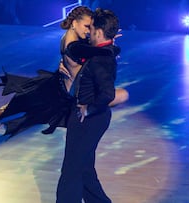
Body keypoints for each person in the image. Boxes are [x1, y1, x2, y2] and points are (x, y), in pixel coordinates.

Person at [0, 6, 128, 137]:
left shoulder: (74, 39)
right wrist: (109, 42)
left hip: (62, 84)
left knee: (29, 98)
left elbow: (92, 51)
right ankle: (1, 111)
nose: (89, 31)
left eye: (91, 28)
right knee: (121, 95)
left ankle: (1, 111)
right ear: (74, 23)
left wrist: (106, 38)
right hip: (73, 92)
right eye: (86, 26)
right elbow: (94, 51)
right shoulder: (73, 45)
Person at [56, 8, 119, 203]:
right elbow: (77, 49)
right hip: (90, 117)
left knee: (71, 172)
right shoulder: (101, 53)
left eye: (91, 28)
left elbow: (108, 93)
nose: (88, 32)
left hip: (88, 118)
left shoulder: (101, 59)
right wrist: (111, 46)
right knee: (83, 168)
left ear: (98, 32)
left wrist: (88, 108)